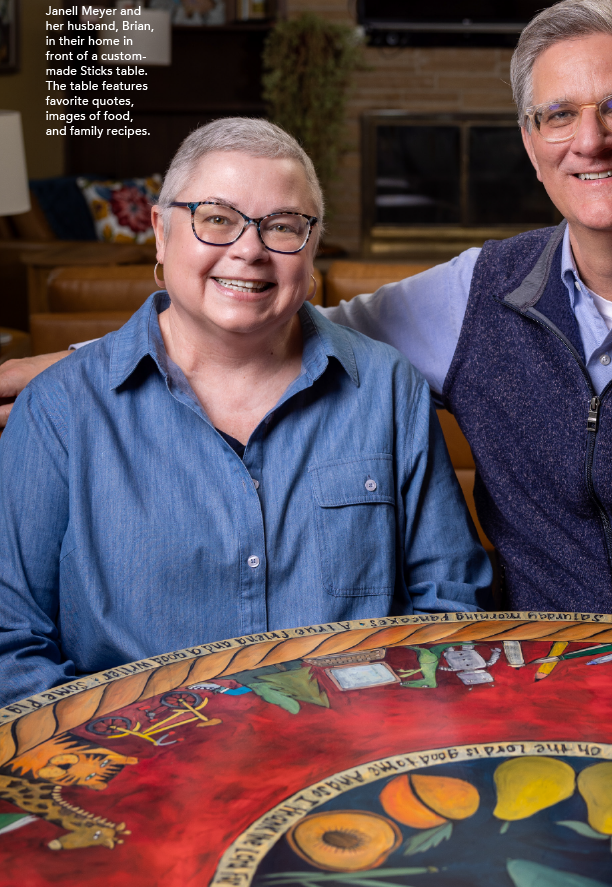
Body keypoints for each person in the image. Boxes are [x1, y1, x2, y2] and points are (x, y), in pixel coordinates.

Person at [4, 0, 612, 648]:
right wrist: (96, 369)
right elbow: (274, 323)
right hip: (532, 702)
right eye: (557, 114)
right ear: (531, 144)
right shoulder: (476, 295)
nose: (589, 140)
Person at [0, 118, 492, 706]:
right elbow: (11, 644)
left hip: (350, 759)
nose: (249, 250)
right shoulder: (59, 410)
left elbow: (450, 605)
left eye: (282, 226)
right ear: (161, 232)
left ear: (311, 250)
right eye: (216, 219)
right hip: (129, 769)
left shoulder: (388, 389)